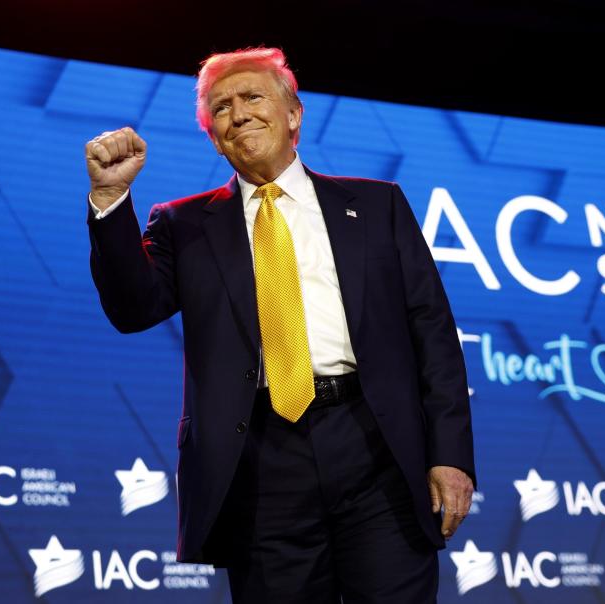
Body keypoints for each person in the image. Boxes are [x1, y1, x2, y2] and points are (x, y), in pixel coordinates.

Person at [84, 47, 475, 603]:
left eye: (252, 97)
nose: (237, 113)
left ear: (294, 114)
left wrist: (451, 454)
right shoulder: (183, 224)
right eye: (220, 108)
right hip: (260, 464)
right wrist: (110, 198)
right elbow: (131, 309)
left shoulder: (377, 204)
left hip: (376, 449)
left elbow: (432, 334)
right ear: (214, 137)